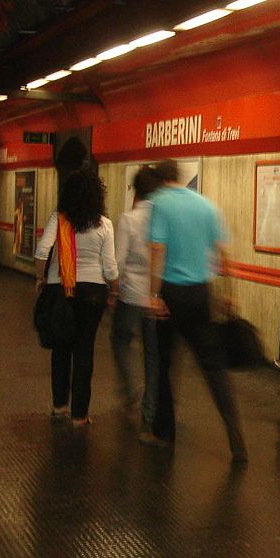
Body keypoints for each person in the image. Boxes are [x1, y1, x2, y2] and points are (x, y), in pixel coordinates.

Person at [145, 158, 247, 461]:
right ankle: (235, 435)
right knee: (213, 367)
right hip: (201, 294)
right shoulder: (206, 205)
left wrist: (153, 294)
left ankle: (165, 434)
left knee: (165, 365)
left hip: (172, 293)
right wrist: (229, 295)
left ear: (161, 180)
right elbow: (223, 254)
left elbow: (157, 249)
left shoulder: (159, 203)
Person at [33, 169, 119, 428]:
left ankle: (60, 405)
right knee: (84, 351)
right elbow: (110, 266)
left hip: (62, 289)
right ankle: (80, 415)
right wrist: (114, 289)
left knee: (61, 348)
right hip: (93, 293)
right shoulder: (104, 224)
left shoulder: (59, 219)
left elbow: (41, 251)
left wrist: (40, 279)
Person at [111, 166, 163, 431]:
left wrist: (113, 289)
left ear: (136, 191)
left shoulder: (128, 220)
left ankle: (130, 388)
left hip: (130, 295)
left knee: (119, 341)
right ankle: (150, 407)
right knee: (152, 353)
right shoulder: (162, 220)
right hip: (154, 297)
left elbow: (118, 261)